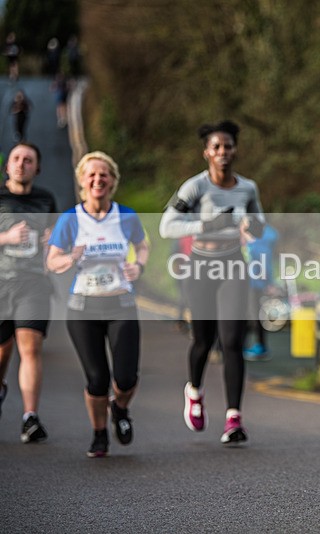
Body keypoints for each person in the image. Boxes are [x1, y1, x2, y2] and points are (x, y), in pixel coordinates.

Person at [160, 120, 266, 445]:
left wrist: (251, 225)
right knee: (203, 340)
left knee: (232, 340)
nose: (223, 152)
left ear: (236, 150)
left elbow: (260, 225)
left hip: (233, 263)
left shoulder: (248, 188)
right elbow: (167, 226)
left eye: (228, 146)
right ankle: (194, 391)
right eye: (216, 147)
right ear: (206, 152)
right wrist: (206, 225)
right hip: (201, 266)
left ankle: (234, 417)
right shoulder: (195, 187)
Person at [46, 151, 148, 458]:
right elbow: (52, 261)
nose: (97, 179)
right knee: (97, 379)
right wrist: (71, 257)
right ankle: (99, 433)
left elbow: (142, 245)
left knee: (126, 377)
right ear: (81, 181)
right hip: (83, 309)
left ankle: (120, 409)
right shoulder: (71, 219)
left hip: (121, 304)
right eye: (91, 174)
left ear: (113, 181)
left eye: (103, 174)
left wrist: (138, 266)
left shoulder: (126, 216)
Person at [0, 143, 58, 443]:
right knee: (2, 351)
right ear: (7, 166)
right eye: (17, 159)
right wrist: (6, 237)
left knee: (30, 347)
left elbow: (53, 239)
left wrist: (52, 241)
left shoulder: (45, 199)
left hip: (33, 284)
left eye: (28, 160)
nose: (22, 164)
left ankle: (30, 417)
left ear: (37, 168)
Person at [243, 222, 278, 360]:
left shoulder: (257, 245)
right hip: (251, 284)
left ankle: (261, 347)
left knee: (252, 315)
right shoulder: (259, 244)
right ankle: (251, 345)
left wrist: (268, 283)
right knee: (250, 315)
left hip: (253, 285)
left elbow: (264, 268)